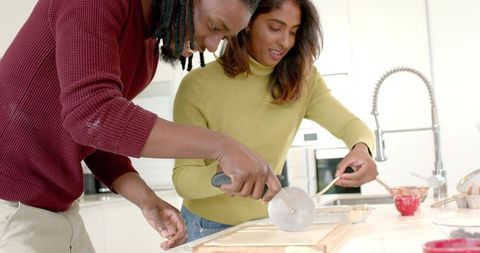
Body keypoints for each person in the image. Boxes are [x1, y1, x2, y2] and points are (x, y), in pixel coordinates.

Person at [0, 0, 284, 252]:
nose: (211, 45)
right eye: (213, 26)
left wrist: (146, 199)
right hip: (10, 207)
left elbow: (99, 137)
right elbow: (92, 117)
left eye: (224, 37)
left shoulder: (146, 49)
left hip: (57, 210)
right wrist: (224, 147)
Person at [172, 0, 379, 242]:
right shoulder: (197, 86)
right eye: (275, 27)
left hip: (270, 222)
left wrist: (362, 149)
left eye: (293, 31)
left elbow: (351, 126)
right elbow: (183, 180)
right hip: (207, 228)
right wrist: (224, 172)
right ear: (247, 23)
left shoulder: (304, 79)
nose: (286, 42)